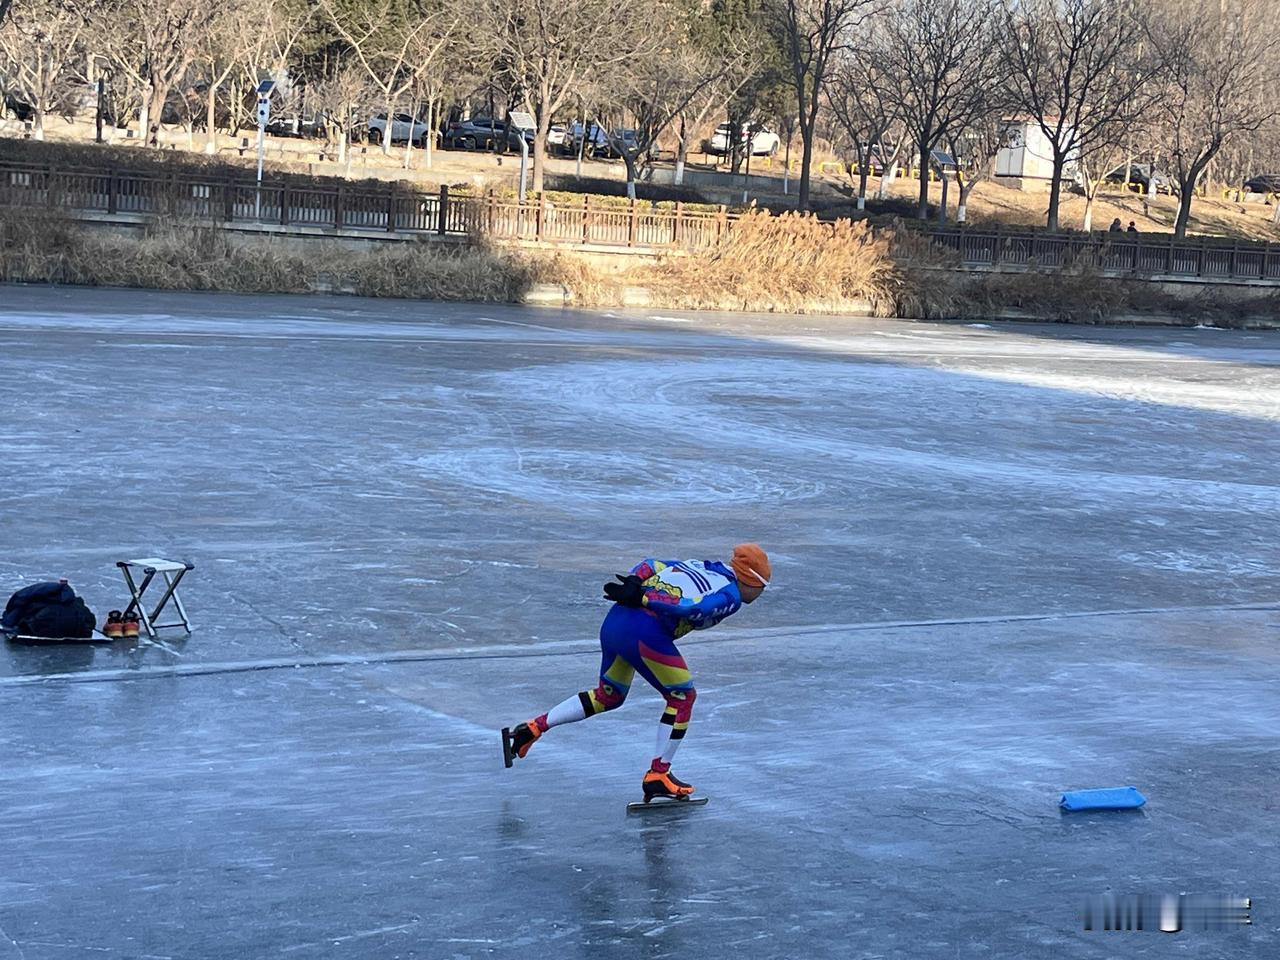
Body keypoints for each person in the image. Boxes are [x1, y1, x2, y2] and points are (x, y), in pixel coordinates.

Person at [502, 544, 772, 801]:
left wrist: (634, 582)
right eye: (762, 588)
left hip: (615, 622)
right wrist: (643, 597)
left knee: (608, 696)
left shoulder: (698, 565)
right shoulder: (732, 594)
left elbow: (650, 564)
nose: (760, 595)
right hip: (644, 633)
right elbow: (695, 608)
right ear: (752, 580)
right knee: (682, 697)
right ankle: (658, 773)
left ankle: (533, 728)